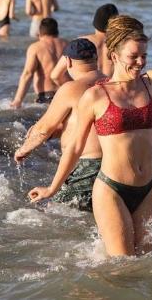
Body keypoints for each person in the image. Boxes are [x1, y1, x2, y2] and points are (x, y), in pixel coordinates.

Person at [28, 15, 152, 256]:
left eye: (144, 56)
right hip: (111, 190)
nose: (140, 62)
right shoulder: (96, 96)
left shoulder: (149, 86)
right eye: (134, 56)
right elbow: (75, 148)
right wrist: (52, 188)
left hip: (147, 189)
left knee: (148, 262)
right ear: (114, 56)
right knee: (123, 267)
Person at [15, 39, 103, 211]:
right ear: (96, 59)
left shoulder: (71, 88)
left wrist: (22, 150)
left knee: (47, 211)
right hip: (115, 166)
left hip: (86, 167)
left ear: (68, 61)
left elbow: (42, 130)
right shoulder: (112, 83)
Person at [50, 3, 118, 85]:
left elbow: (55, 75)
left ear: (95, 22)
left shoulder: (80, 44)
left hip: (85, 91)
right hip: (111, 93)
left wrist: (73, 89)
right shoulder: (122, 45)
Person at [11, 18, 67, 108]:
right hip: (65, 93)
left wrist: (18, 100)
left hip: (46, 96)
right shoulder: (68, 44)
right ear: (57, 32)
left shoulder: (35, 47)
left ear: (39, 33)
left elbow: (27, 74)